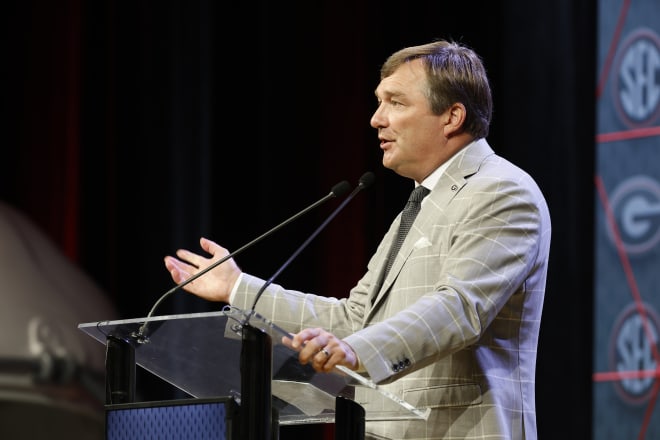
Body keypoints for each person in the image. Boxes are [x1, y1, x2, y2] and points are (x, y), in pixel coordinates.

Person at [164, 39, 551, 440]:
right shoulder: (420, 204)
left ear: (452, 116)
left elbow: (459, 307)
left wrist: (357, 351)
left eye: (396, 103)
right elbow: (355, 318)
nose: (376, 119)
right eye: (379, 102)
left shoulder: (502, 191)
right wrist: (238, 288)